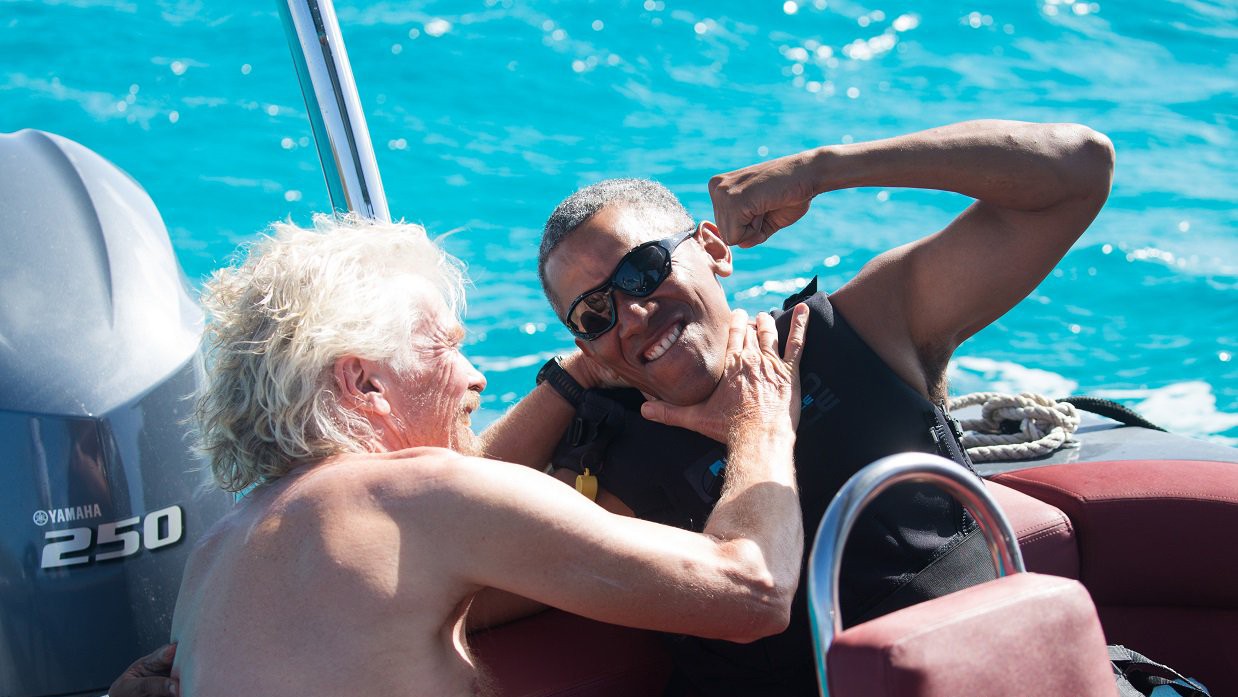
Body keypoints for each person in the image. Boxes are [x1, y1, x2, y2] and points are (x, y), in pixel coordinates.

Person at [509, 119, 1115, 695]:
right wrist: (570, 378)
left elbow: (1079, 170)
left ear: (714, 249)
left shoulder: (866, 331)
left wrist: (822, 169)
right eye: (595, 313)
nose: (635, 315)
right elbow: (466, 532)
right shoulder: (606, 469)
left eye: (643, 269)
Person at [159, 214, 811, 697]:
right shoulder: (418, 499)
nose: (476, 377)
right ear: (364, 383)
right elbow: (752, 591)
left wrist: (580, 374)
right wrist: (762, 420)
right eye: (445, 348)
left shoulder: (213, 559)